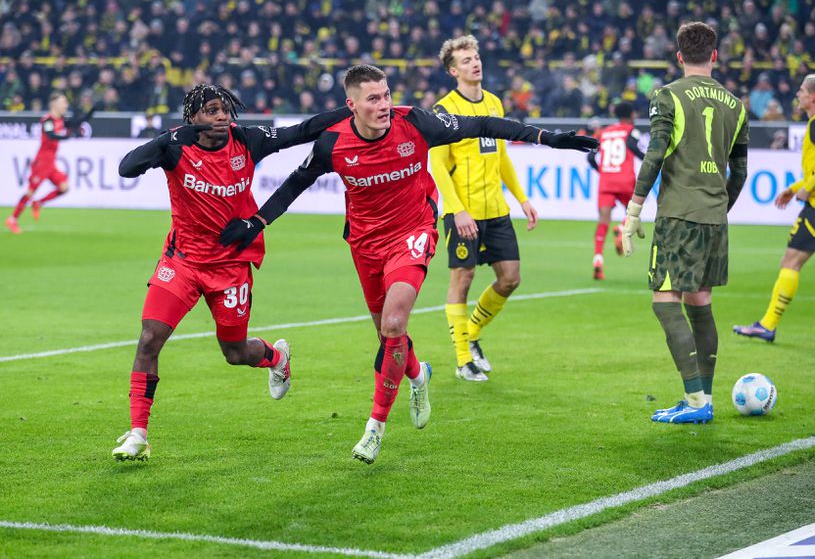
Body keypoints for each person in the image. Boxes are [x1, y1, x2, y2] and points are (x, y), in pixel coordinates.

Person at [220, 64, 597, 464]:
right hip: (365, 244)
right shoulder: (333, 144)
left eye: (386, 95)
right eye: (374, 99)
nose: (384, 104)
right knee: (389, 338)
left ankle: (375, 428)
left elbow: (483, 123)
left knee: (395, 324)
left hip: (413, 233)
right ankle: (418, 375)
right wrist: (257, 221)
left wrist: (546, 138)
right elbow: (297, 182)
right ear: (352, 105)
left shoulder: (416, 122)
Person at [111, 84, 351, 461]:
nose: (222, 116)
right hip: (183, 262)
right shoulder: (175, 146)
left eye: (224, 109)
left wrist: (348, 110)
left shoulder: (247, 141)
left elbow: (301, 132)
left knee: (235, 353)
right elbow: (126, 168)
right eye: (212, 110)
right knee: (148, 339)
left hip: (231, 266)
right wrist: (170, 138)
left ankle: (277, 358)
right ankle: (139, 433)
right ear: (194, 117)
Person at [621, 22, 749, 424]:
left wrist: (634, 209)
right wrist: (718, 209)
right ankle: (703, 399)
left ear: (679, 56)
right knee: (700, 301)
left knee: (665, 301)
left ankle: (695, 401)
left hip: (678, 214)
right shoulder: (737, 105)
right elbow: (741, 171)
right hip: (714, 215)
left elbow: (654, 154)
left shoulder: (668, 96)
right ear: (714, 55)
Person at [429, 35, 537, 383]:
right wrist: (457, 210)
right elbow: (438, 166)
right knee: (463, 278)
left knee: (510, 279)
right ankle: (463, 360)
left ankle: (472, 333)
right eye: (466, 60)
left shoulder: (493, 103)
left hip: (496, 209)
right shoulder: (443, 111)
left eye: (476, 57)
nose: (475, 63)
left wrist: (521, 198)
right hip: (464, 212)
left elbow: (502, 156)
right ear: (452, 70)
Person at [733, 74, 815, 344]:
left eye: (802, 90)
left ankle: (767, 324)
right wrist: (795, 187)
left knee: (790, 261)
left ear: (814, 96)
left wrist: (807, 187)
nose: (798, 95)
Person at [5, 92, 90, 233]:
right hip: (41, 163)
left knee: (64, 187)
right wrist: (68, 137)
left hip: (51, 163)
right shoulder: (47, 120)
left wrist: (91, 112)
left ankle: (38, 203)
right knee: (30, 192)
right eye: (63, 103)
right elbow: (51, 135)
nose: (66, 105)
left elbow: (77, 123)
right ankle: (12, 219)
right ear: (54, 105)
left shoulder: (61, 120)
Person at [586, 101, 645, 280]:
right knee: (633, 213)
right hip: (625, 180)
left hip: (606, 181)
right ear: (632, 114)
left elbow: (590, 157)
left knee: (603, 221)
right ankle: (621, 228)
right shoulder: (631, 130)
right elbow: (633, 147)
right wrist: (649, 160)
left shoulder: (603, 132)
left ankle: (598, 260)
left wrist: (602, 171)